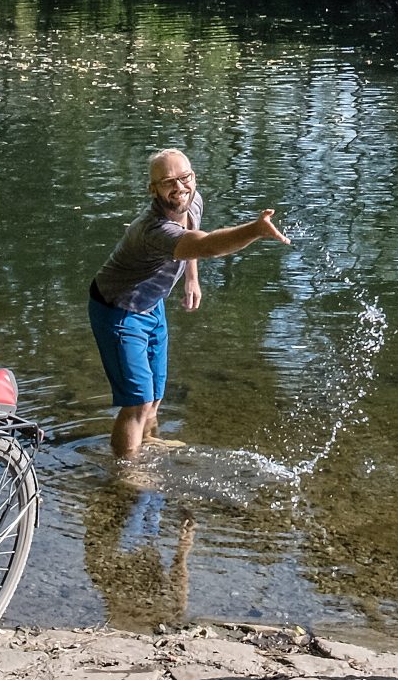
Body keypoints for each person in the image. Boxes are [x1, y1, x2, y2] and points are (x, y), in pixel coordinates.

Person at [89, 147, 288, 457]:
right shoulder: (152, 229)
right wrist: (255, 230)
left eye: (185, 178)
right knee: (137, 402)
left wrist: (190, 278)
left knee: (155, 393)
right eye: (169, 182)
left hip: (151, 303)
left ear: (194, 177)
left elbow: (191, 234)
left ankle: (148, 440)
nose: (179, 187)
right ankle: (126, 470)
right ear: (152, 189)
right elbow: (205, 245)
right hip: (118, 309)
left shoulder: (191, 201)